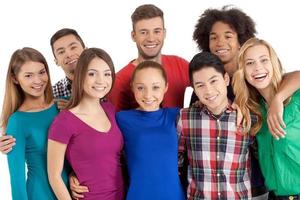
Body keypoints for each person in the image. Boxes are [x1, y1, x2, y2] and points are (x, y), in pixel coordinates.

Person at [191, 6, 300, 199]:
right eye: (213, 37)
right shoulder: (218, 90)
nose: (220, 42)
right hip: (245, 186)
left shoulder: (275, 88)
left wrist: (278, 99)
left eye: (228, 35)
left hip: (261, 186)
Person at [47, 48, 124, 200]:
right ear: (80, 76)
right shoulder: (63, 122)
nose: (101, 80)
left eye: (107, 74)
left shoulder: (110, 109)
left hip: (121, 195)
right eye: (92, 74)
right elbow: (54, 176)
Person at [178, 52, 255, 199]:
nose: (208, 90)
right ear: (194, 88)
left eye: (213, 81)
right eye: (200, 85)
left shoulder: (246, 118)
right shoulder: (185, 119)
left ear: (226, 79)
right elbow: (174, 159)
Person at [233, 38, 300, 199]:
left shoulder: (297, 98)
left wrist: (278, 99)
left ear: (274, 63)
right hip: (275, 196)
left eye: (264, 60)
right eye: (249, 63)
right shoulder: (254, 110)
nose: (258, 68)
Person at [0, 28, 86, 152]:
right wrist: (7, 142)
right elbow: (33, 123)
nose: (68, 54)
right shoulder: (54, 95)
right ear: (56, 61)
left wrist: (78, 111)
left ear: (86, 50)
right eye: (61, 52)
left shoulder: (106, 83)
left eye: (73, 47)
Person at [0, 47, 68, 199]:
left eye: (42, 72)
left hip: (72, 191)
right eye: (29, 75)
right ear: (15, 79)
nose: (38, 80)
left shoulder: (62, 105)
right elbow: (16, 180)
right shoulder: (17, 122)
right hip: (40, 194)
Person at [116, 60, 185, 200]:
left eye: (155, 87)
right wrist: (75, 173)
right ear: (132, 87)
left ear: (165, 87)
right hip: (139, 195)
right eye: (141, 88)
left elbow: (205, 111)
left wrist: (237, 108)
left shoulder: (176, 115)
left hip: (173, 195)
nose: (148, 95)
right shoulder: (122, 119)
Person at [108, 4, 189, 111]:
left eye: (157, 31)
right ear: (133, 36)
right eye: (143, 32)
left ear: (164, 33)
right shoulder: (119, 81)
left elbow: (207, 86)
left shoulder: (180, 65)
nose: (151, 38)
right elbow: (116, 122)